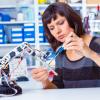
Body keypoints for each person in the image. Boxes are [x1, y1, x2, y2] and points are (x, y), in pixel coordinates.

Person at [32, 2, 100, 89]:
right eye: (51, 28)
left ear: (72, 20)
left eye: (60, 23)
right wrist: (45, 81)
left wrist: (90, 54)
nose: (57, 31)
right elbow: (58, 86)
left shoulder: (97, 43)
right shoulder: (61, 52)